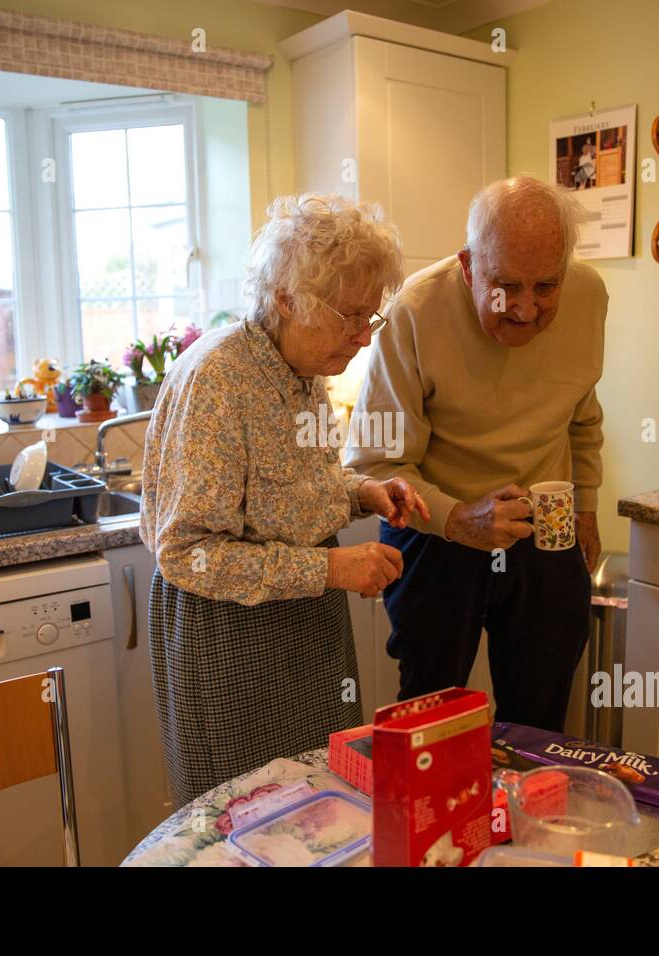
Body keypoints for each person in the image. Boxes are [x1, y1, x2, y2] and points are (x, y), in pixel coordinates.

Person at [139, 193, 430, 805]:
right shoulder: (218, 379)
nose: (361, 338)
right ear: (285, 299)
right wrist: (330, 567)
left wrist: (365, 493)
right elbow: (188, 554)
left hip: (304, 627)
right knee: (239, 822)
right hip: (227, 642)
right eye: (349, 316)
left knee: (314, 811)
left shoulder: (304, 371)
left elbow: (297, 490)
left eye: (369, 319)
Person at [343, 175, 608, 732]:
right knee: (429, 715)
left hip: (543, 523)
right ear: (468, 266)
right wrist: (459, 518)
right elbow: (378, 463)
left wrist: (587, 506)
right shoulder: (414, 311)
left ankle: (526, 813)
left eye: (546, 286)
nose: (526, 309)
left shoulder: (590, 297)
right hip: (433, 525)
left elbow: (582, 414)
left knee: (541, 712)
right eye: (506, 286)